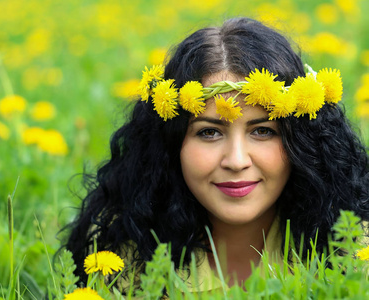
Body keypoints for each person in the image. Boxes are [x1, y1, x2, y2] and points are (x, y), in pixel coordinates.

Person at [60, 17, 369, 292]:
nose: (236, 161)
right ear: (170, 145)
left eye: (262, 131)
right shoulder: (125, 263)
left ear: (304, 143)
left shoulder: (355, 255)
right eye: (209, 132)